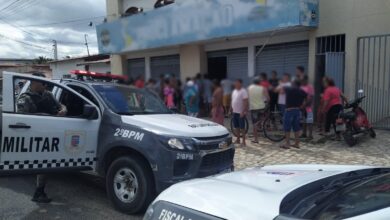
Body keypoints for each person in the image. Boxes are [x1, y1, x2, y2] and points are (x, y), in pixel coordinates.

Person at [17, 73, 67, 203]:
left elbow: (61, 105)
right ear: (34, 83)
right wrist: (45, 116)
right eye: (42, 82)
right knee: (42, 163)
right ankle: (39, 192)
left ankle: (39, 192)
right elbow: (21, 118)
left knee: (45, 163)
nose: (45, 85)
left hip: (49, 133)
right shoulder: (25, 98)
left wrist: (63, 110)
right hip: (34, 134)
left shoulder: (48, 94)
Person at [280, 80, 307, 149]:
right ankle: (297, 143)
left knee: (287, 128)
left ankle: (287, 144)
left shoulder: (289, 88)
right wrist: (302, 105)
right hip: (297, 110)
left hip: (289, 110)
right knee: (296, 128)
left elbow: (282, 92)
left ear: (294, 84)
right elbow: (306, 98)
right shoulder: (301, 91)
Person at [248, 77, 269, 144]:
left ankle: (256, 139)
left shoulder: (249, 88)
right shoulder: (263, 88)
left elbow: (248, 98)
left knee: (254, 124)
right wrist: (266, 103)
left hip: (253, 108)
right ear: (259, 82)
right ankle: (262, 122)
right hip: (261, 107)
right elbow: (268, 98)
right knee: (263, 116)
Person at [231, 79, 249, 146]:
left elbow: (246, 101)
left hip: (240, 112)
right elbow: (233, 100)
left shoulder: (243, 91)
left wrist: (243, 111)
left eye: (237, 83)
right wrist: (231, 107)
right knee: (236, 127)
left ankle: (243, 141)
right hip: (235, 112)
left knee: (242, 128)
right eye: (235, 83)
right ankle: (238, 139)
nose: (235, 84)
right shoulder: (234, 91)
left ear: (240, 84)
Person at [300, 75, 315, 139]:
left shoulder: (310, 87)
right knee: (304, 121)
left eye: (303, 80)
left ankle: (310, 135)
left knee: (309, 121)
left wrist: (305, 104)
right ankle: (304, 133)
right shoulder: (301, 87)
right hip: (302, 107)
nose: (302, 81)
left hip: (309, 107)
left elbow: (311, 97)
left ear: (306, 80)